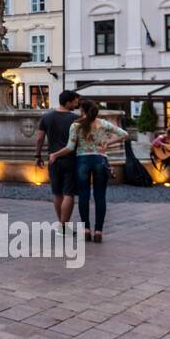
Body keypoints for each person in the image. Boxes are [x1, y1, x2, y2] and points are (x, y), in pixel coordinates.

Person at [49, 99, 128, 243]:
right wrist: (107, 143)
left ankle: (86, 230)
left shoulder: (76, 125)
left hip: (82, 162)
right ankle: (98, 231)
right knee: (100, 197)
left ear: (82, 111)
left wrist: (55, 154)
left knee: (84, 197)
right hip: (100, 160)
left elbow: (70, 148)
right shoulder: (103, 124)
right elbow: (124, 134)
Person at [35, 90, 81, 230]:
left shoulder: (46, 117)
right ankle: (63, 225)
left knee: (57, 193)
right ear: (68, 102)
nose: (77, 103)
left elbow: (39, 138)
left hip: (53, 159)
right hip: (70, 159)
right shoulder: (75, 119)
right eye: (75, 101)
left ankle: (61, 225)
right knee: (69, 193)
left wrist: (38, 156)